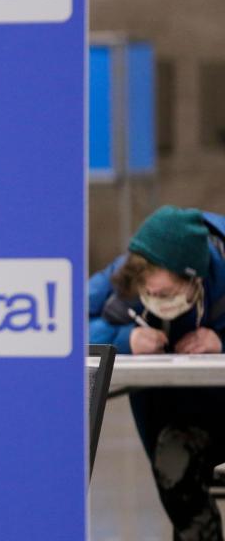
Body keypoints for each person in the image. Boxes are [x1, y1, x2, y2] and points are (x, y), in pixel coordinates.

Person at [90, 205, 225, 540]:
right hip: (174, 422)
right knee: (176, 473)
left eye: (166, 294)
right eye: (148, 293)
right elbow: (63, 324)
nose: (156, 300)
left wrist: (220, 341)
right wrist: (124, 338)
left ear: (196, 278)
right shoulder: (127, 272)